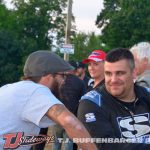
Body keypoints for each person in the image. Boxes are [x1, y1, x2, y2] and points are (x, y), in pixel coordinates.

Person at [0, 50, 98, 150]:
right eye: (63, 76)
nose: (64, 81)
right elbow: (70, 122)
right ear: (48, 76)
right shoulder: (37, 91)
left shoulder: (8, 88)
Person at [78, 48, 150, 150]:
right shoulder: (92, 102)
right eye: (108, 73)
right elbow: (106, 146)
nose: (113, 80)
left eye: (120, 73)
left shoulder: (146, 95)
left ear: (134, 73)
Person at [52, 60, 86, 150]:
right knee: (68, 143)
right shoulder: (80, 83)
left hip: (57, 117)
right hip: (72, 117)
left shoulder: (59, 81)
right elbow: (83, 101)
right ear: (75, 70)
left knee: (56, 142)